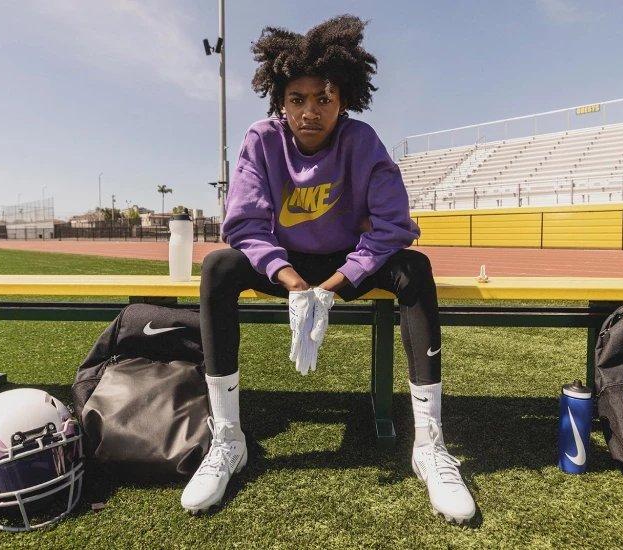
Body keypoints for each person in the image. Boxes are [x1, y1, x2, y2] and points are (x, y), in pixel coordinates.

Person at [180, 14, 476, 524]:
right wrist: (293, 284)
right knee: (219, 267)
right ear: (280, 100)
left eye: (324, 98)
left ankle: (430, 446)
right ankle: (228, 440)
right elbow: (245, 225)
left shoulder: (362, 142)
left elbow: (394, 226)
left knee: (415, 268)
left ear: (344, 99)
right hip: (288, 262)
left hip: (346, 261)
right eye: (297, 99)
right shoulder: (261, 140)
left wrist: (335, 285)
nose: (310, 111)